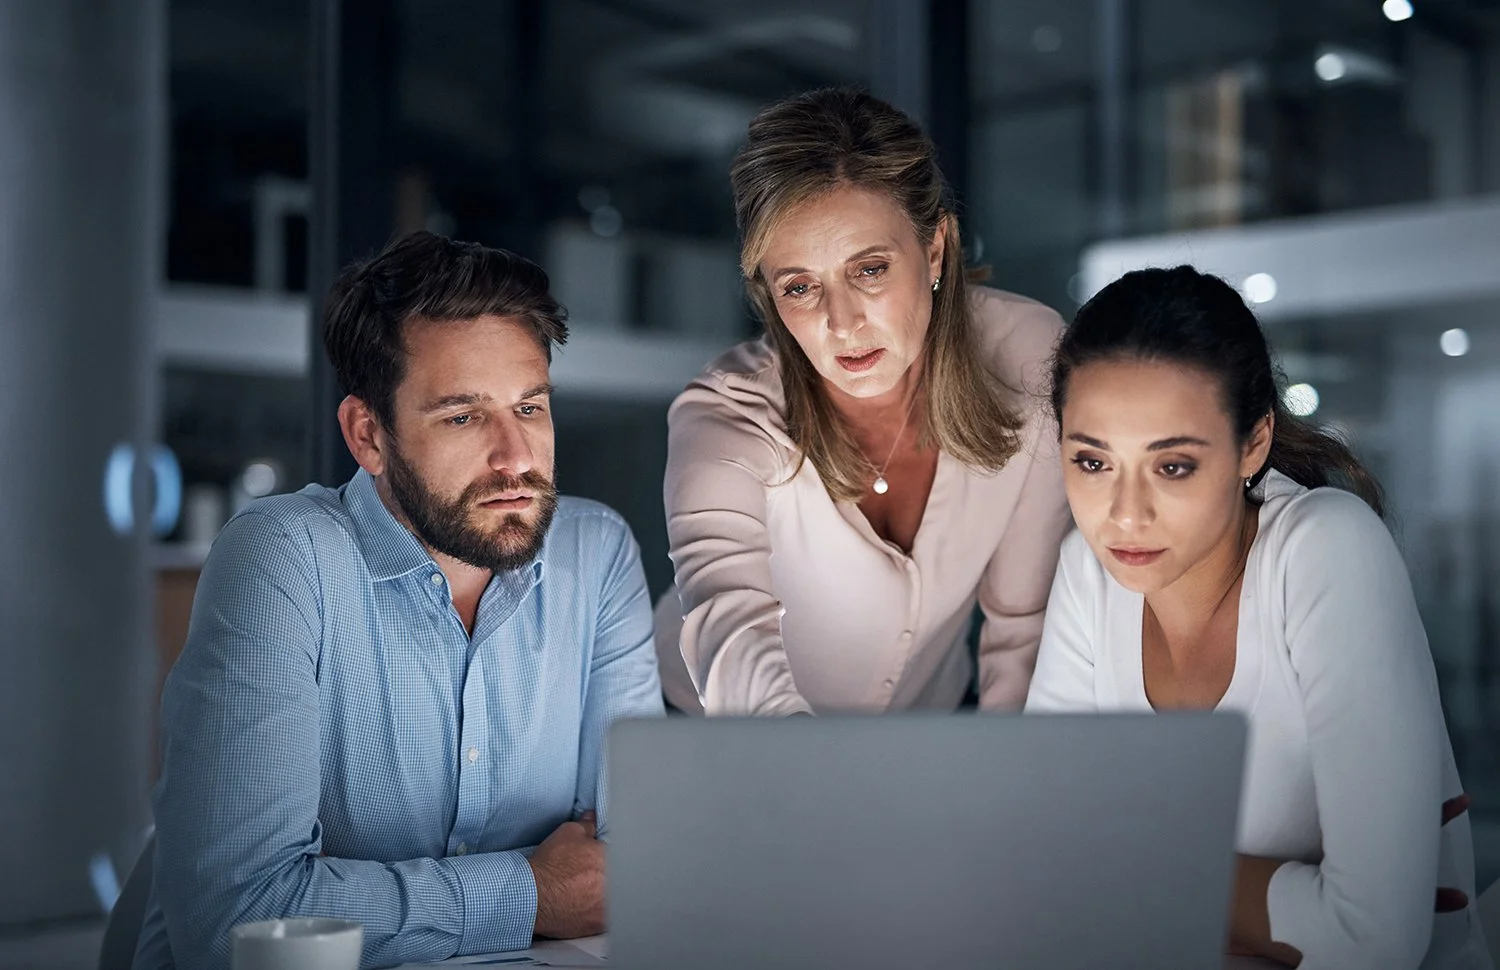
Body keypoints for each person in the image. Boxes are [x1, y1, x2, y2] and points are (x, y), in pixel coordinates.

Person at [133, 232, 664, 969]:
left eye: (530, 408)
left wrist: (354, 897)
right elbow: (241, 918)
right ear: (368, 435)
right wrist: (530, 894)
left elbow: (631, 862)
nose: (516, 457)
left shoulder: (595, 552)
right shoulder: (282, 558)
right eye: (462, 416)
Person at [1026, 265, 1490, 968]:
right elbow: (1044, 872)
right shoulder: (1087, 572)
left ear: (1254, 443)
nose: (1124, 513)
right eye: (1092, 463)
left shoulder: (1325, 548)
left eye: (1173, 466)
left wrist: (1132, 868)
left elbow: (1377, 942)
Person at [655, 88, 1073, 716]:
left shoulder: (1030, 358)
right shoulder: (724, 419)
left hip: (917, 741)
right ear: (769, 293)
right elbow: (730, 631)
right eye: (800, 286)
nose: (842, 323)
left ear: (935, 249)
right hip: (704, 732)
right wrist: (812, 785)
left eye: (869, 269)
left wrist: (1006, 791)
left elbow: (1023, 627)